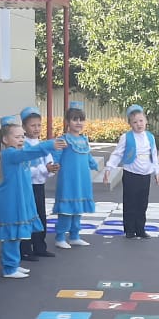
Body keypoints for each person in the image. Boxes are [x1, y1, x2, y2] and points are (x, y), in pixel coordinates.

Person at [0, 117, 67, 277]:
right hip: (12, 201)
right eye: (17, 137)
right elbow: (29, 153)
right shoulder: (10, 154)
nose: (21, 139)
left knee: (18, 233)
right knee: (12, 234)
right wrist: (49, 145)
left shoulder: (18, 154)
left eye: (22, 136)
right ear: (5, 139)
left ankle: (13, 264)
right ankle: (9, 268)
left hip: (20, 199)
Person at [104, 105, 159, 239]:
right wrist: (109, 168)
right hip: (131, 174)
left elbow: (153, 155)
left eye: (141, 121)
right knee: (130, 202)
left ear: (146, 121)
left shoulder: (150, 137)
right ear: (130, 124)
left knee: (142, 203)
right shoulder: (126, 137)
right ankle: (129, 229)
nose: (139, 124)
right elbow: (117, 154)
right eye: (135, 122)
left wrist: (156, 171)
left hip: (145, 175)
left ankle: (140, 229)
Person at [52, 102, 98, 249]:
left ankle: (74, 236)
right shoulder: (63, 139)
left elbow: (87, 155)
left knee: (78, 208)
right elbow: (56, 155)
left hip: (82, 179)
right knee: (66, 209)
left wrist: (93, 164)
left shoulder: (84, 139)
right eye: (74, 119)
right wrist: (54, 165)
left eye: (81, 119)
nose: (78, 123)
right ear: (67, 121)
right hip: (68, 180)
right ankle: (60, 237)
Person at [19, 107, 58, 260]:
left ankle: (40, 246)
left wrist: (52, 168)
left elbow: (48, 161)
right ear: (24, 127)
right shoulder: (23, 146)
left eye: (39, 125)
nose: (36, 128)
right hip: (27, 187)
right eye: (32, 125)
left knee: (41, 216)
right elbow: (25, 170)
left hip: (39, 186)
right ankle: (25, 249)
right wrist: (44, 169)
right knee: (28, 216)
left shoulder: (42, 144)